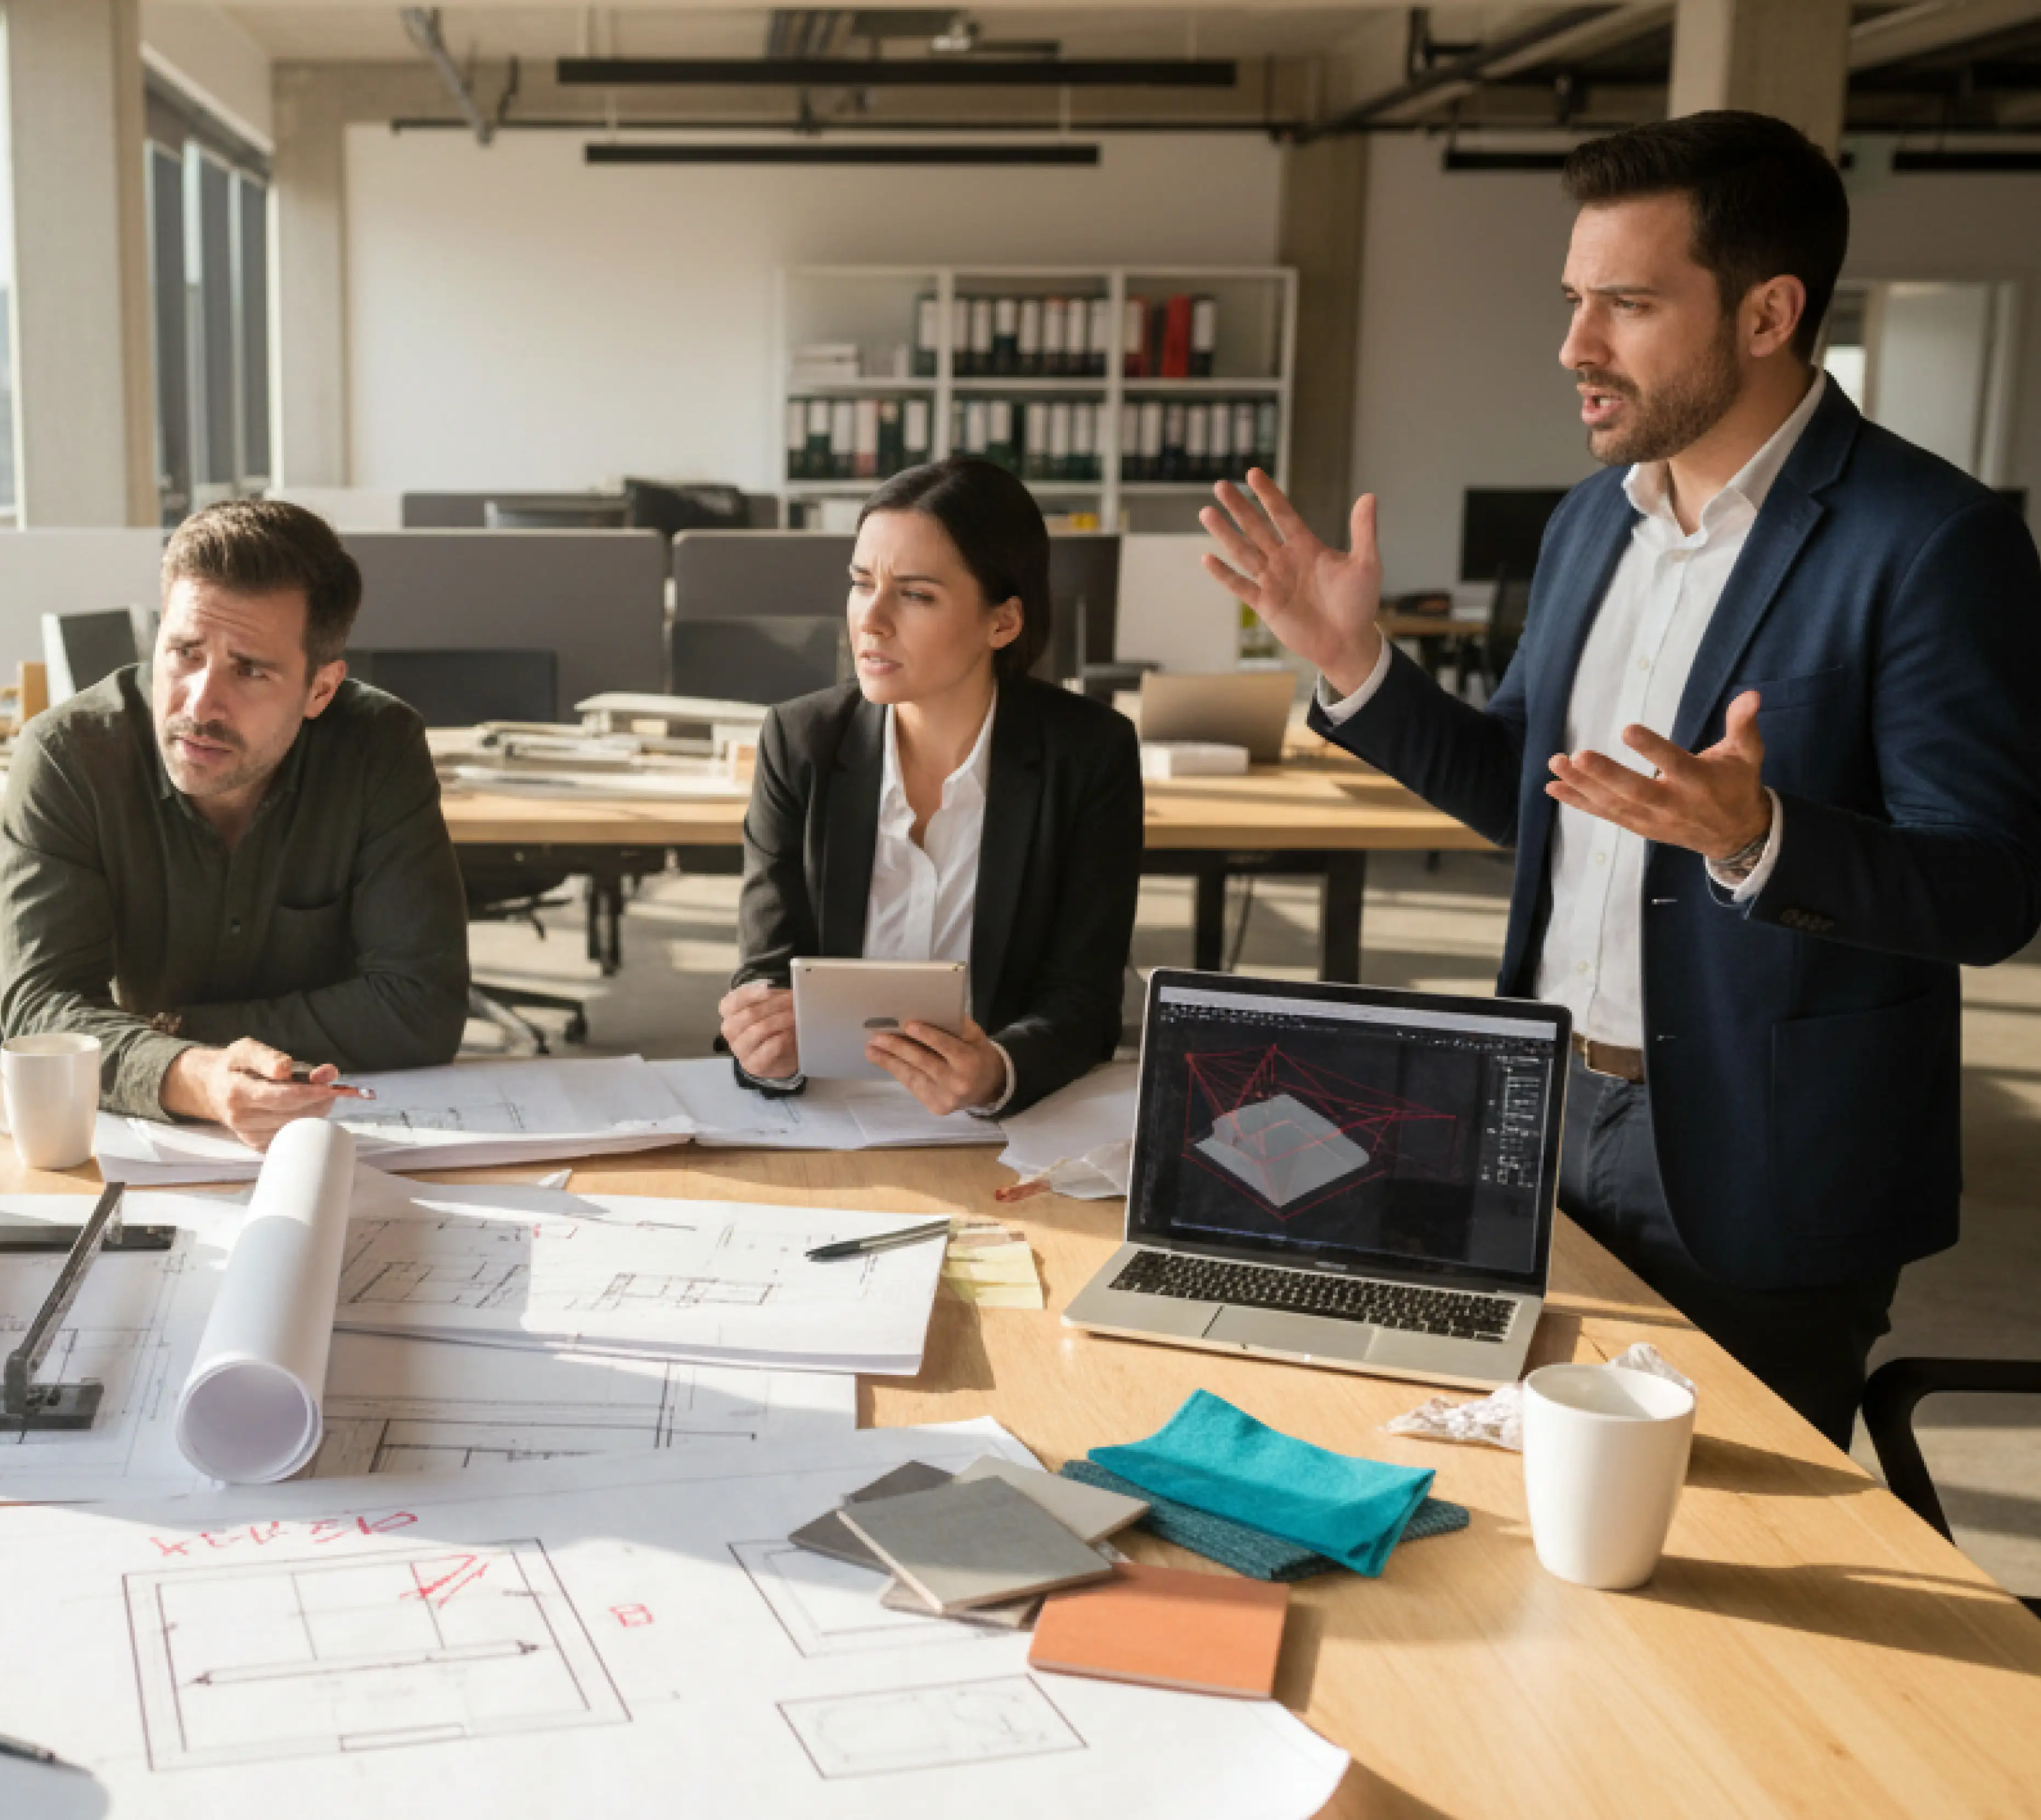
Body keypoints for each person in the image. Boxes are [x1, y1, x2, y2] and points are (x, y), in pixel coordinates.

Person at [1202, 111, 2041, 1446]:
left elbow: (1993, 890)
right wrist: (1361, 669)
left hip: (1763, 1155)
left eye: (1628, 305)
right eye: (1576, 300)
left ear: (1768, 314)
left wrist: (1760, 839)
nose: (1575, 347)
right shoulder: (1596, 518)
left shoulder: (1933, 543)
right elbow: (1537, 798)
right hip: (1543, 1111)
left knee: (1729, 1563)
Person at [0, 499, 472, 1149]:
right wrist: (197, 1075)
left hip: (335, 1133)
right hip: (135, 1143)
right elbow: (41, 1008)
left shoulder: (378, 747)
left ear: (320, 690)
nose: (199, 703)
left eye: (250, 670)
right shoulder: (68, 756)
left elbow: (424, 1008)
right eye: (184, 653)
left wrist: (159, 1029)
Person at [719, 455, 1144, 1119]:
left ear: (1003, 623)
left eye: (915, 595)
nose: (872, 620)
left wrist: (996, 1072)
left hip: (1003, 1127)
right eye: (863, 584)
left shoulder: (1089, 754)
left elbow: (1085, 1003)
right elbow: (769, 971)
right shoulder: (800, 741)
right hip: (829, 1117)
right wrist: (764, 1045)